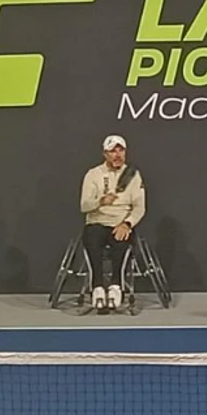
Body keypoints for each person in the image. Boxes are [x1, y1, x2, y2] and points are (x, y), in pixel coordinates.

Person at [79, 134, 146, 314]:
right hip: (97, 221)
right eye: (112, 151)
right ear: (105, 154)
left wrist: (127, 224)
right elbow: (84, 206)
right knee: (93, 239)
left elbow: (140, 208)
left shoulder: (133, 175)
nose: (117, 155)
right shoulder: (93, 174)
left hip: (121, 223)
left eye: (120, 150)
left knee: (120, 240)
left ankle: (116, 286)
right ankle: (98, 287)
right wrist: (101, 201)